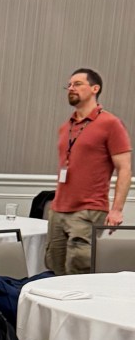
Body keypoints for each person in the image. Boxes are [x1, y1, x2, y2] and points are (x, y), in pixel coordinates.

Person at [44, 68, 131, 275]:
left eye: (77, 84)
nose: (71, 88)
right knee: (54, 270)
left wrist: (117, 209)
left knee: (79, 268)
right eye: (69, 85)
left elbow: (125, 168)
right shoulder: (66, 127)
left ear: (95, 88)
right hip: (58, 209)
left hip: (88, 209)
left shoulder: (110, 124)